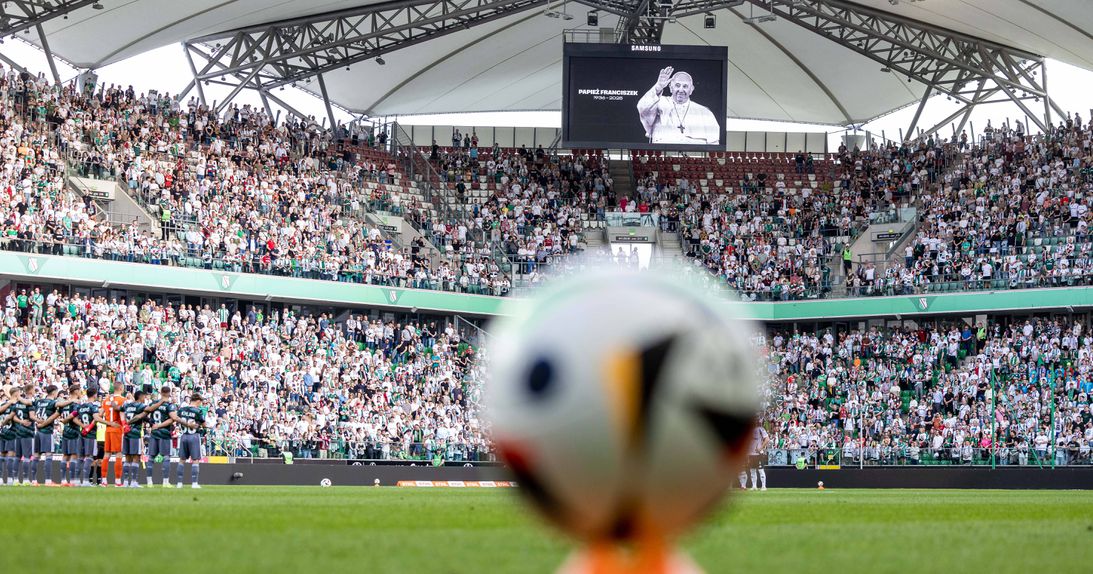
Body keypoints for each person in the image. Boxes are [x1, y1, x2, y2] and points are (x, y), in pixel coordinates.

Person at [637, 67, 721, 145]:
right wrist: (658, 87)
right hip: (663, 158)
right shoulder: (659, 103)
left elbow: (714, 145)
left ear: (691, 89)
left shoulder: (704, 113)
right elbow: (642, 108)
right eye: (677, 85)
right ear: (670, 87)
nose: (681, 90)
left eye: (685, 86)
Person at [73, 387, 119, 487]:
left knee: (80, 458)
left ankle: (76, 481)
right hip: (91, 435)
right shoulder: (93, 406)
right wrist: (109, 423)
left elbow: (74, 419)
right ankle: (85, 481)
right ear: (94, 395)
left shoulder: (81, 406)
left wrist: (83, 426)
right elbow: (96, 418)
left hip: (82, 433)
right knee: (89, 457)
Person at [120, 389, 164, 488]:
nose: (145, 399)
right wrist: (161, 401)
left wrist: (150, 421)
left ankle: (126, 482)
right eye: (144, 397)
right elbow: (150, 409)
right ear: (140, 397)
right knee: (136, 458)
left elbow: (122, 411)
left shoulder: (127, 405)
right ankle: (134, 482)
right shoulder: (140, 406)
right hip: (135, 434)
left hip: (126, 433)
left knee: (127, 458)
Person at [146, 386, 181, 487]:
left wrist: (152, 424)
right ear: (169, 393)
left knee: (151, 457)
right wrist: (159, 425)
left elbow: (146, 413)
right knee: (166, 457)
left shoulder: (153, 404)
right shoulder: (170, 405)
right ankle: (165, 482)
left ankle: (149, 482)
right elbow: (172, 419)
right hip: (165, 434)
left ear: (160, 392)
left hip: (154, 433)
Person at [175, 394, 207, 489]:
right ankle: (194, 483)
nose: (200, 404)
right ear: (197, 400)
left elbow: (178, 420)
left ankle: (179, 483)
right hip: (194, 436)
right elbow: (204, 424)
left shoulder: (182, 410)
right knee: (195, 460)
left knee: (182, 460)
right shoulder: (198, 411)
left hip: (184, 436)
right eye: (200, 401)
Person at [100, 384, 126, 487]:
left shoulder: (106, 400)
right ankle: (118, 481)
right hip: (118, 428)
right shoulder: (122, 400)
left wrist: (108, 423)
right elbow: (123, 414)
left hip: (108, 429)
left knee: (106, 454)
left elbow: (100, 414)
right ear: (121, 388)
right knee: (119, 454)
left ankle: (104, 481)